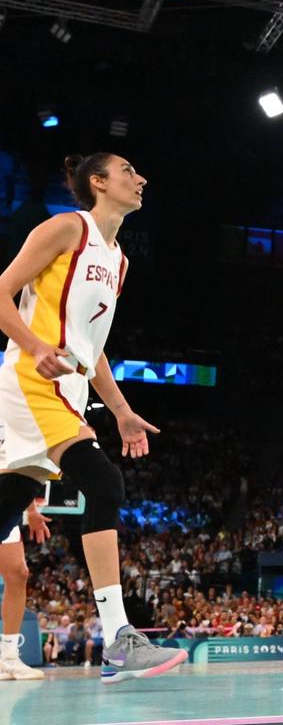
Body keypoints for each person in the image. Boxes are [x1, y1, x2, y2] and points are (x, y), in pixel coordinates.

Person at [0, 152, 187, 683]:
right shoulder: (65, 229)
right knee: (105, 485)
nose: (142, 177)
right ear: (99, 182)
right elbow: (0, 293)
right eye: (130, 171)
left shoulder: (119, 261)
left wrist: (123, 411)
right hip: (34, 379)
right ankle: (120, 639)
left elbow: (95, 348)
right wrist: (35, 346)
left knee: (8, 505)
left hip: (73, 384)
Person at [0, 425, 51, 680]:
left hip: (6, 496)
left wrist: (31, 511)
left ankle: (8, 657)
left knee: (18, 573)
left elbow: (20, 464)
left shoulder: (12, 407)